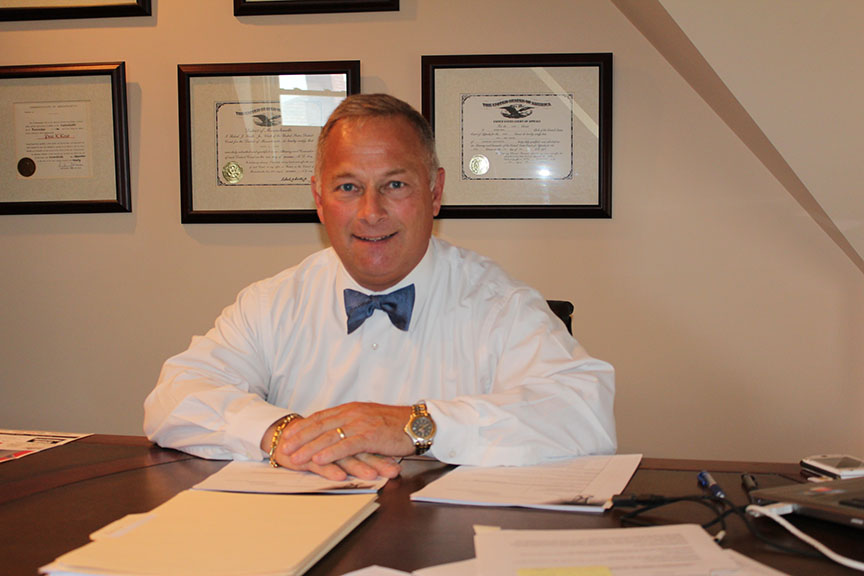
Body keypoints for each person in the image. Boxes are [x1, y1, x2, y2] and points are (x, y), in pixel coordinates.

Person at [143, 93, 616, 481]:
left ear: (434, 193)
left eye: (394, 185)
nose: (371, 212)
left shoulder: (499, 303)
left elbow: (584, 411)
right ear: (318, 199)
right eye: (348, 187)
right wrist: (284, 433)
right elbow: (173, 397)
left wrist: (414, 425)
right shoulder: (271, 303)